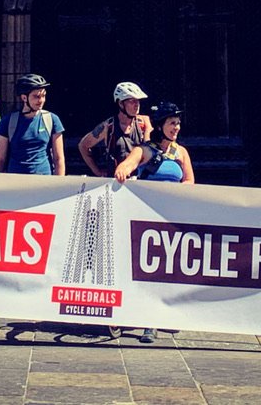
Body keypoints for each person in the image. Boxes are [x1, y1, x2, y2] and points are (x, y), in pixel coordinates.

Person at [115, 100, 194, 342]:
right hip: (146, 217)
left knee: (166, 268)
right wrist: (123, 172)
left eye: (178, 123)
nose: (176, 128)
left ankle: (162, 314)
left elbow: (190, 181)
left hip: (171, 217)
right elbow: (126, 165)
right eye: (172, 123)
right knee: (147, 267)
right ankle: (148, 320)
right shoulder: (145, 150)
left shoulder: (181, 152)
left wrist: (178, 194)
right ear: (160, 125)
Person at [0, 74, 65, 175]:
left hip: (43, 181)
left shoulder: (51, 119)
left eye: (43, 96)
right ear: (24, 98)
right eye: (36, 96)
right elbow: (1, 160)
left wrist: (59, 185)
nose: (41, 100)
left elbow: (59, 159)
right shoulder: (8, 122)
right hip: (15, 182)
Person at [78, 82, 153, 177]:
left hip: (139, 182)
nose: (137, 104)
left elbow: (150, 147)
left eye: (138, 101)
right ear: (121, 103)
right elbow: (83, 145)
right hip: (116, 182)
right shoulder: (108, 126)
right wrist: (97, 171)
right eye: (132, 101)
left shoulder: (143, 122)